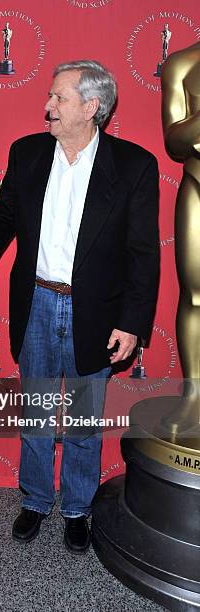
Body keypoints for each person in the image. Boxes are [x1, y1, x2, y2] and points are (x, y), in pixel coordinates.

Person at [0, 60, 159, 553]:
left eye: (58, 98)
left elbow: (142, 253)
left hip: (94, 312)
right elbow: (3, 215)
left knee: (82, 421)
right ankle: (33, 500)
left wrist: (132, 323)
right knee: (35, 413)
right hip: (37, 302)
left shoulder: (134, 165)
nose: (47, 106)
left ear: (91, 107)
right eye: (50, 98)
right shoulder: (27, 152)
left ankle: (76, 508)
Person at [161, 42, 200, 432]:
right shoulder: (183, 64)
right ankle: (194, 396)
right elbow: (174, 142)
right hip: (197, 186)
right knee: (195, 295)